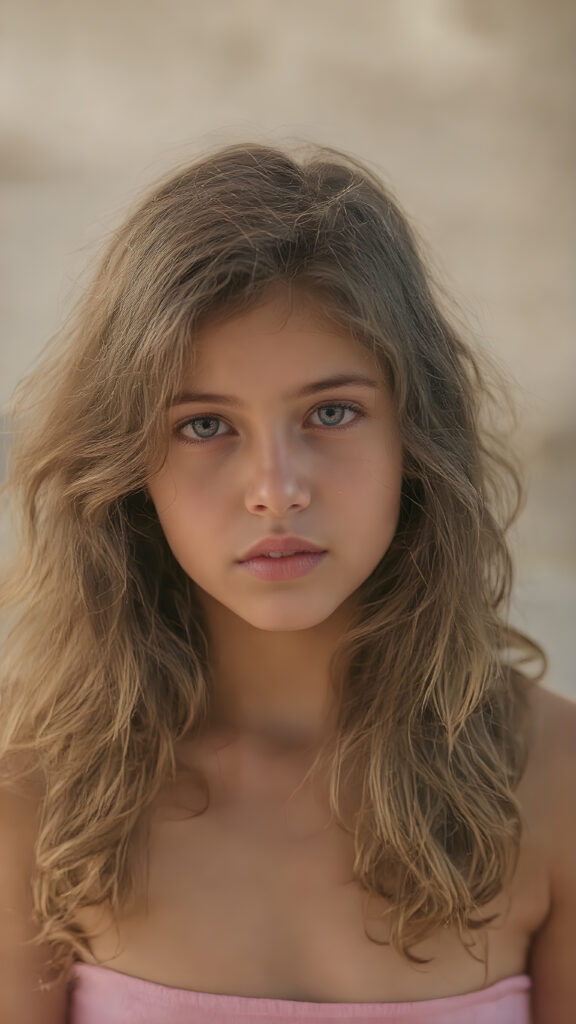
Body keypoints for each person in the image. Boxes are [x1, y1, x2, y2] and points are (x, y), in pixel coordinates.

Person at [0, 140, 574, 1024]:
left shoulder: (553, 778)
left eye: (332, 412)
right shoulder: (37, 786)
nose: (277, 488)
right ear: (124, 467)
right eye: (202, 426)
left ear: (415, 441)